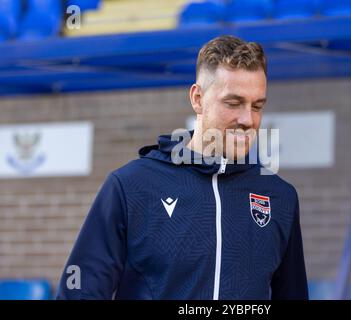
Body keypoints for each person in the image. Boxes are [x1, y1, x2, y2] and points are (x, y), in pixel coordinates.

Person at [56, 35, 308, 300]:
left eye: (257, 106)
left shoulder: (280, 197)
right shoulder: (131, 187)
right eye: (233, 103)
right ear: (197, 98)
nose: (248, 120)